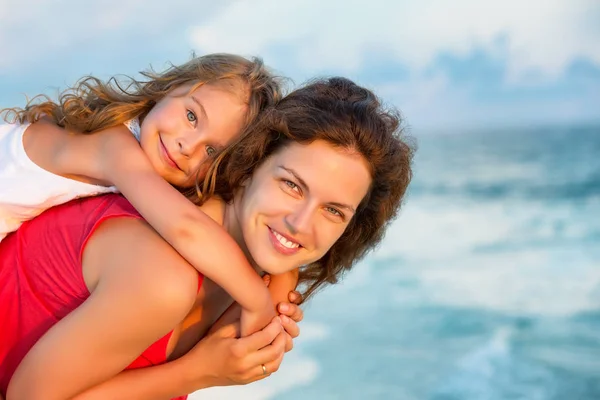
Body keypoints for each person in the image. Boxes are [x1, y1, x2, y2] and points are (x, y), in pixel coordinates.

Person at [1, 77, 414, 400]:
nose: (300, 224)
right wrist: (198, 372)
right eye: (291, 185)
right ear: (250, 165)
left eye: (333, 210)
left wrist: (281, 287)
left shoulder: (245, 280)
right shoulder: (162, 275)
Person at [0, 53, 285, 336]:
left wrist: (285, 273)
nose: (188, 145)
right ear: (171, 87)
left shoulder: (133, 149)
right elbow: (186, 227)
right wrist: (257, 299)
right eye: (191, 116)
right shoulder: (114, 147)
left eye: (212, 151)